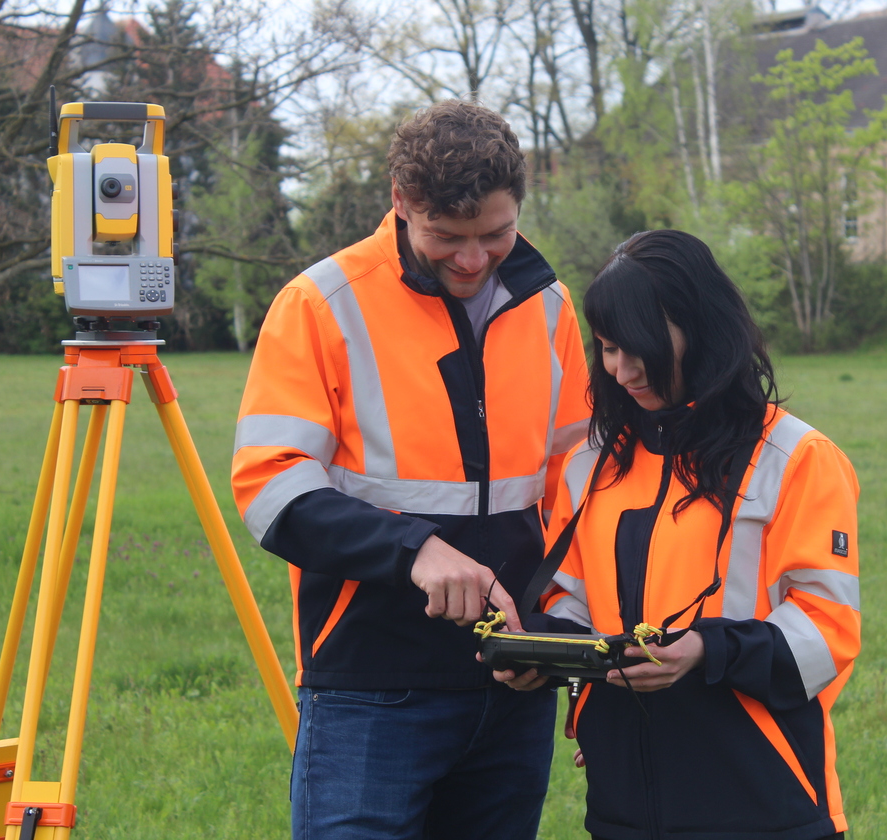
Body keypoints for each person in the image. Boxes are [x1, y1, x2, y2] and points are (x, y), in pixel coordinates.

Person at [231, 100, 590, 840]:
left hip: (516, 688)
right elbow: (269, 487)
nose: (470, 258)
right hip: (372, 690)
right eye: (446, 236)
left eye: (495, 234)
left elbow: (582, 488)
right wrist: (415, 551)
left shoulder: (551, 307)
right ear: (400, 202)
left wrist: (557, 632)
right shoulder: (319, 305)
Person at [497, 229, 860, 840]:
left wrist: (705, 651)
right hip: (624, 806)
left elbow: (828, 634)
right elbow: (571, 600)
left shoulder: (795, 457)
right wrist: (544, 649)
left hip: (762, 802)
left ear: (703, 328)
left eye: (640, 347)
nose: (623, 369)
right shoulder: (593, 464)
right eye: (609, 348)